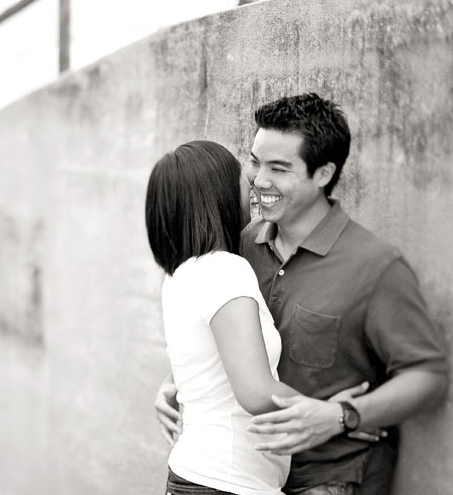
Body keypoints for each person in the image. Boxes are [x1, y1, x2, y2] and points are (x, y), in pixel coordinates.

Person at [155, 93, 449, 495]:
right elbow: (217, 335)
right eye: (256, 162)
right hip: (244, 478)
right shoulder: (238, 248)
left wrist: (344, 415)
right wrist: (177, 382)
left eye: (279, 168)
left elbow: (428, 375)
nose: (259, 181)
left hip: (332, 479)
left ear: (323, 173)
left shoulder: (375, 266)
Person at [146, 140, 340, 495]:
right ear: (214, 193)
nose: (251, 181)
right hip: (226, 482)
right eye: (242, 172)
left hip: (197, 475)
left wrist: (171, 384)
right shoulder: (226, 269)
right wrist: (339, 417)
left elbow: (206, 360)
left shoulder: (180, 273)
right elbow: (255, 392)